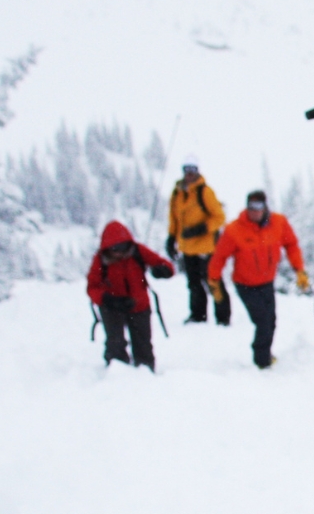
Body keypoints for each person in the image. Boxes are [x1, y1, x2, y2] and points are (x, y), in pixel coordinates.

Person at [208, 190, 309, 369]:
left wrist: (299, 270)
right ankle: (262, 360)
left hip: (267, 282)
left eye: (259, 207)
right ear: (247, 207)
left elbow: (291, 245)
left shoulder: (278, 223)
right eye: (251, 207)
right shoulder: (234, 230)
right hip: (245, 285)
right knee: (262, 321)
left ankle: (265, 353)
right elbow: (220, 256)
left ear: (265, 207)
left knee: (271, 321)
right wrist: (214, 280)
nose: (255, 211)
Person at [87, 221, 174, 371]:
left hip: (139, 305)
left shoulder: (138, 251)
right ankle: (118, 373)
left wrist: (162, 270)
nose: (120, 252)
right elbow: (92, 287)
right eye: (115, 248)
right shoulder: (100, 260)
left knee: (143, 346)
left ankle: (145, 373)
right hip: (112, 307)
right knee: (115, 344)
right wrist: (108, 300)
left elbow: (165, 265)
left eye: (123, 247)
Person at [166, 155, 231, 325]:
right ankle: (198, 315)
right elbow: (174, 219)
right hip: (187, 248)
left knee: (213, 282)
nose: (189, 174)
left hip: (206, 247)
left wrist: (200, 229)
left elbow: (219, 217)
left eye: (192, 170)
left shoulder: (205, 192)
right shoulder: (177, 193)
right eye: (186, 170)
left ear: (197, 171)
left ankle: (223, 318)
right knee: (193, 284)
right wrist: (171, 238)